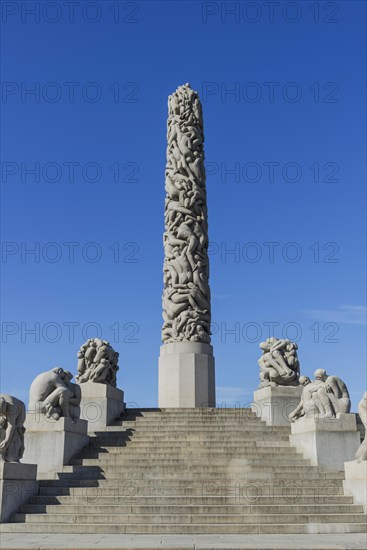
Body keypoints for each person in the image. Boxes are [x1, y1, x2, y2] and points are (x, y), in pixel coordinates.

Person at [0, 394, 26, 462]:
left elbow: (11, 425)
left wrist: (6, 440)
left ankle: (13, 456)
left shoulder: (12, 406)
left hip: (20, 409)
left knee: (16, 430)